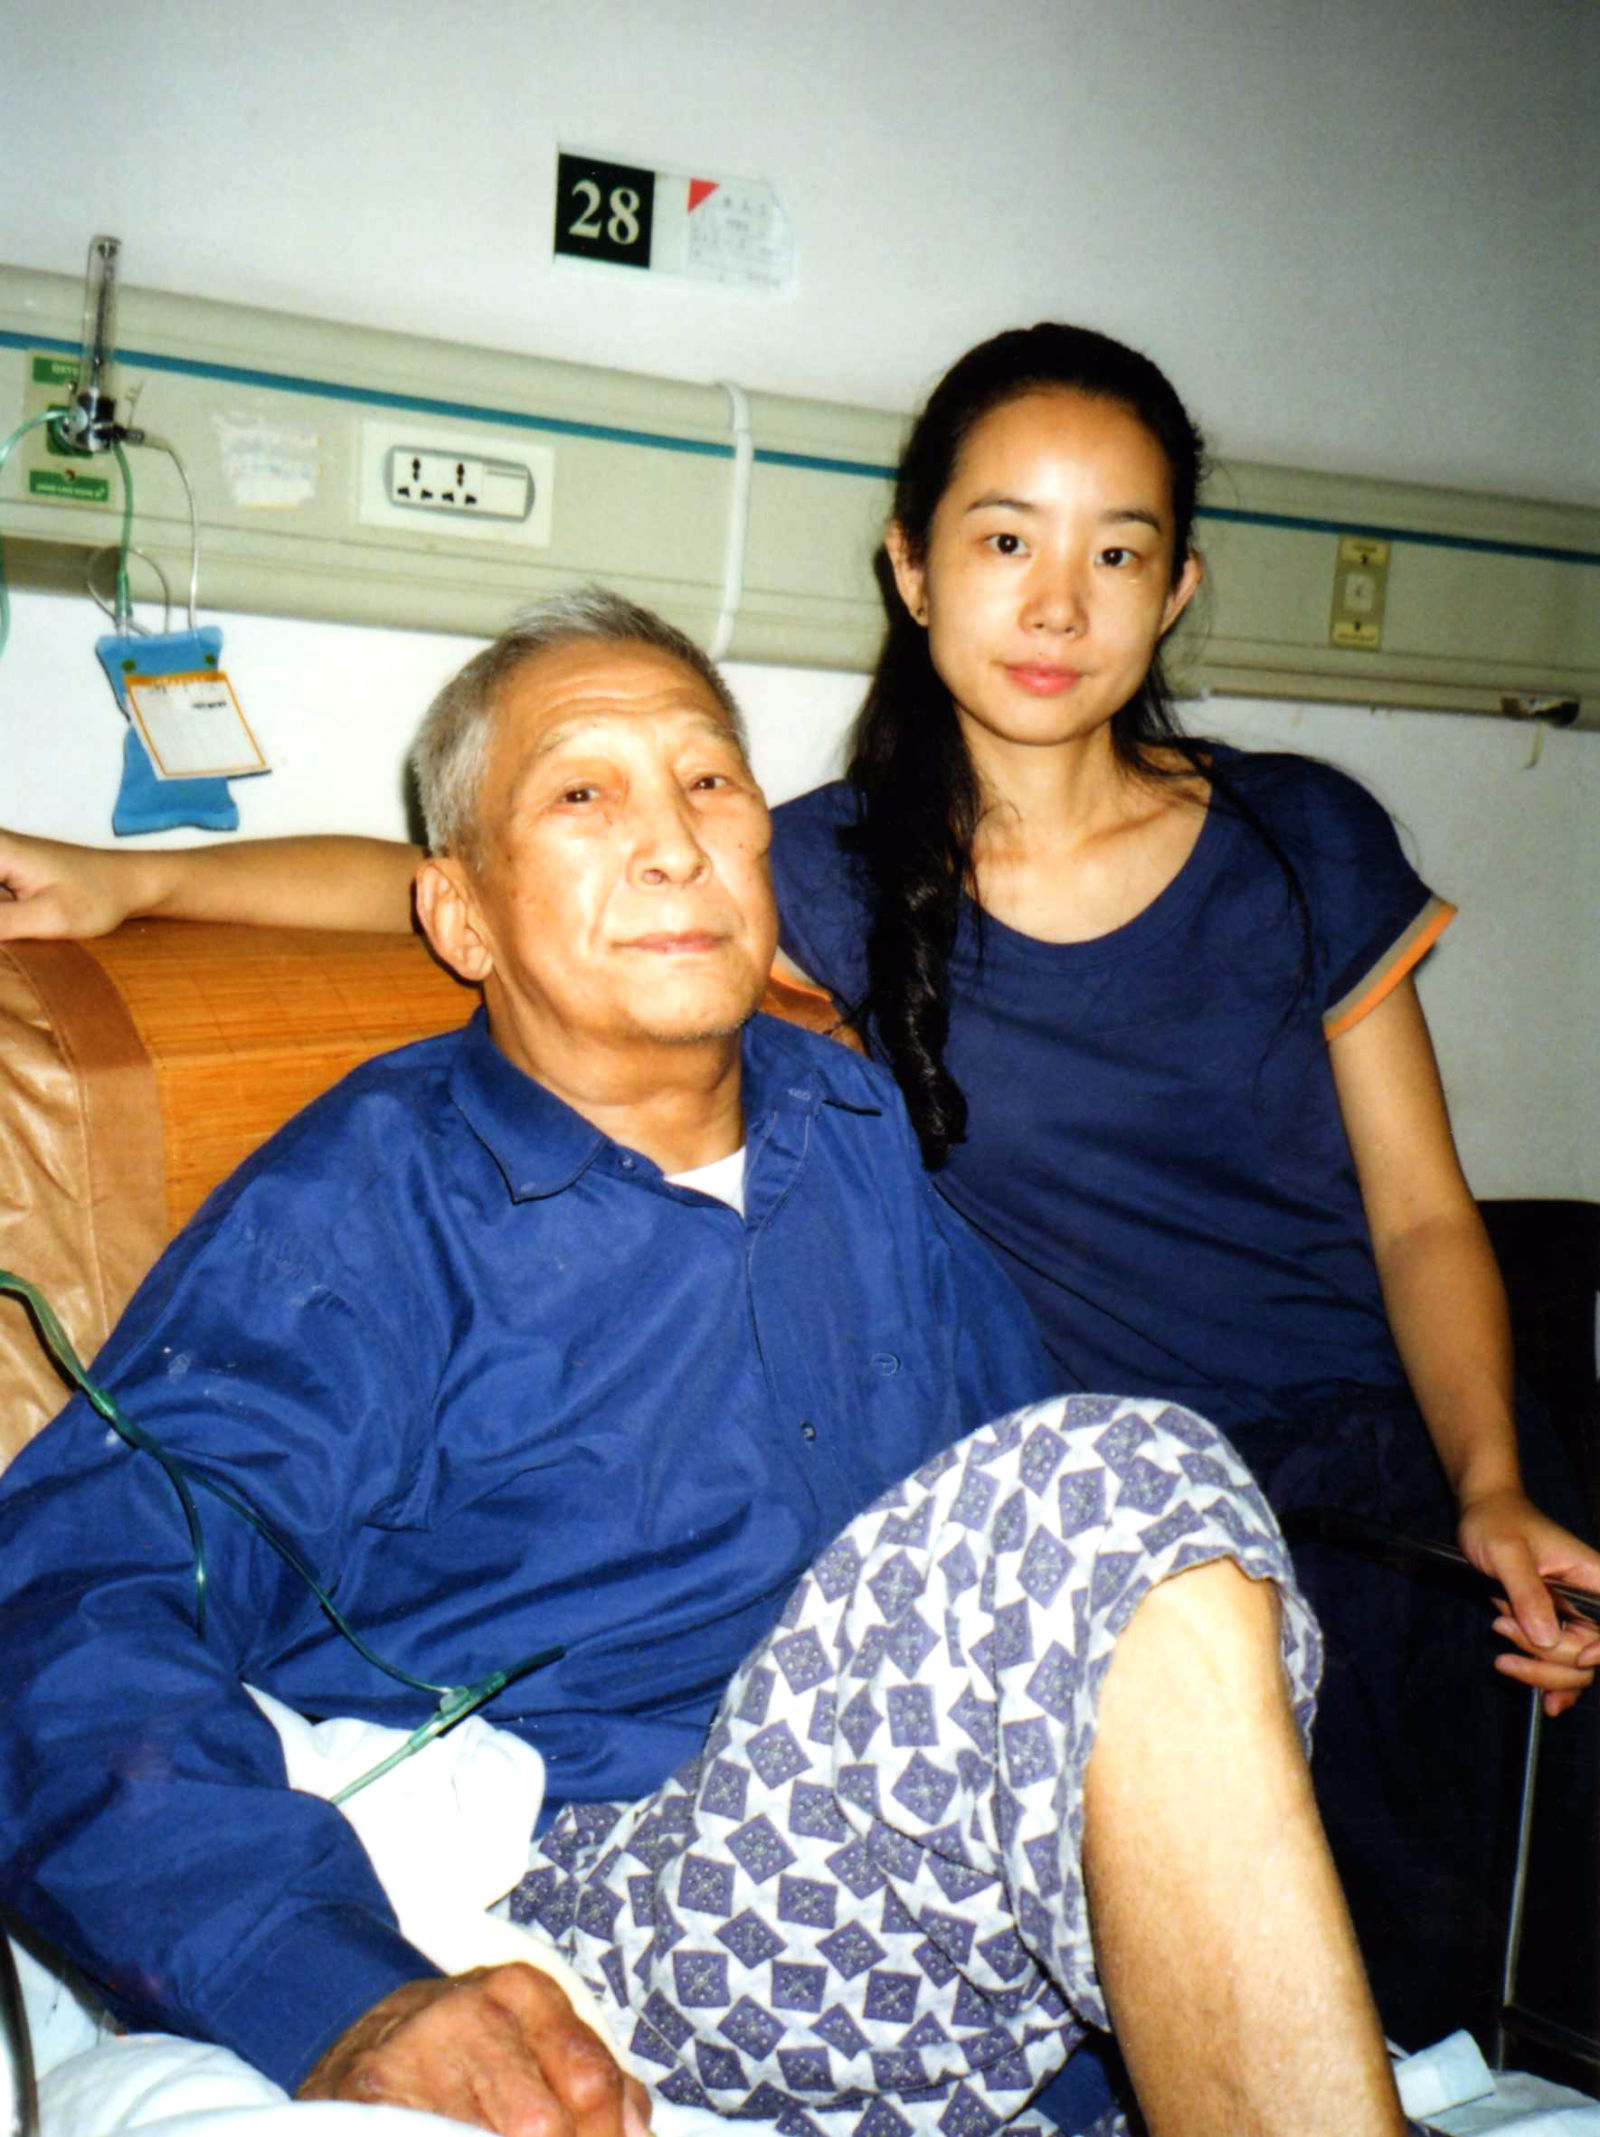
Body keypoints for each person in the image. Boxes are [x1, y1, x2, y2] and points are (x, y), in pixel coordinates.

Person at [3, 326, 1597, 2041]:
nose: (672, 840)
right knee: (1149, 1521)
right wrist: (135, 882)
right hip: (1019, 1596)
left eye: (708, 783)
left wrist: (1490, 1477)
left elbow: (1419, 1216)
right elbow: (462, 877)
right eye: (1006, 538)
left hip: (1317, 1512)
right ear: (912, 567)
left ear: (1179, 585)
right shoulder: (790, 910)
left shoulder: (895, 1101)